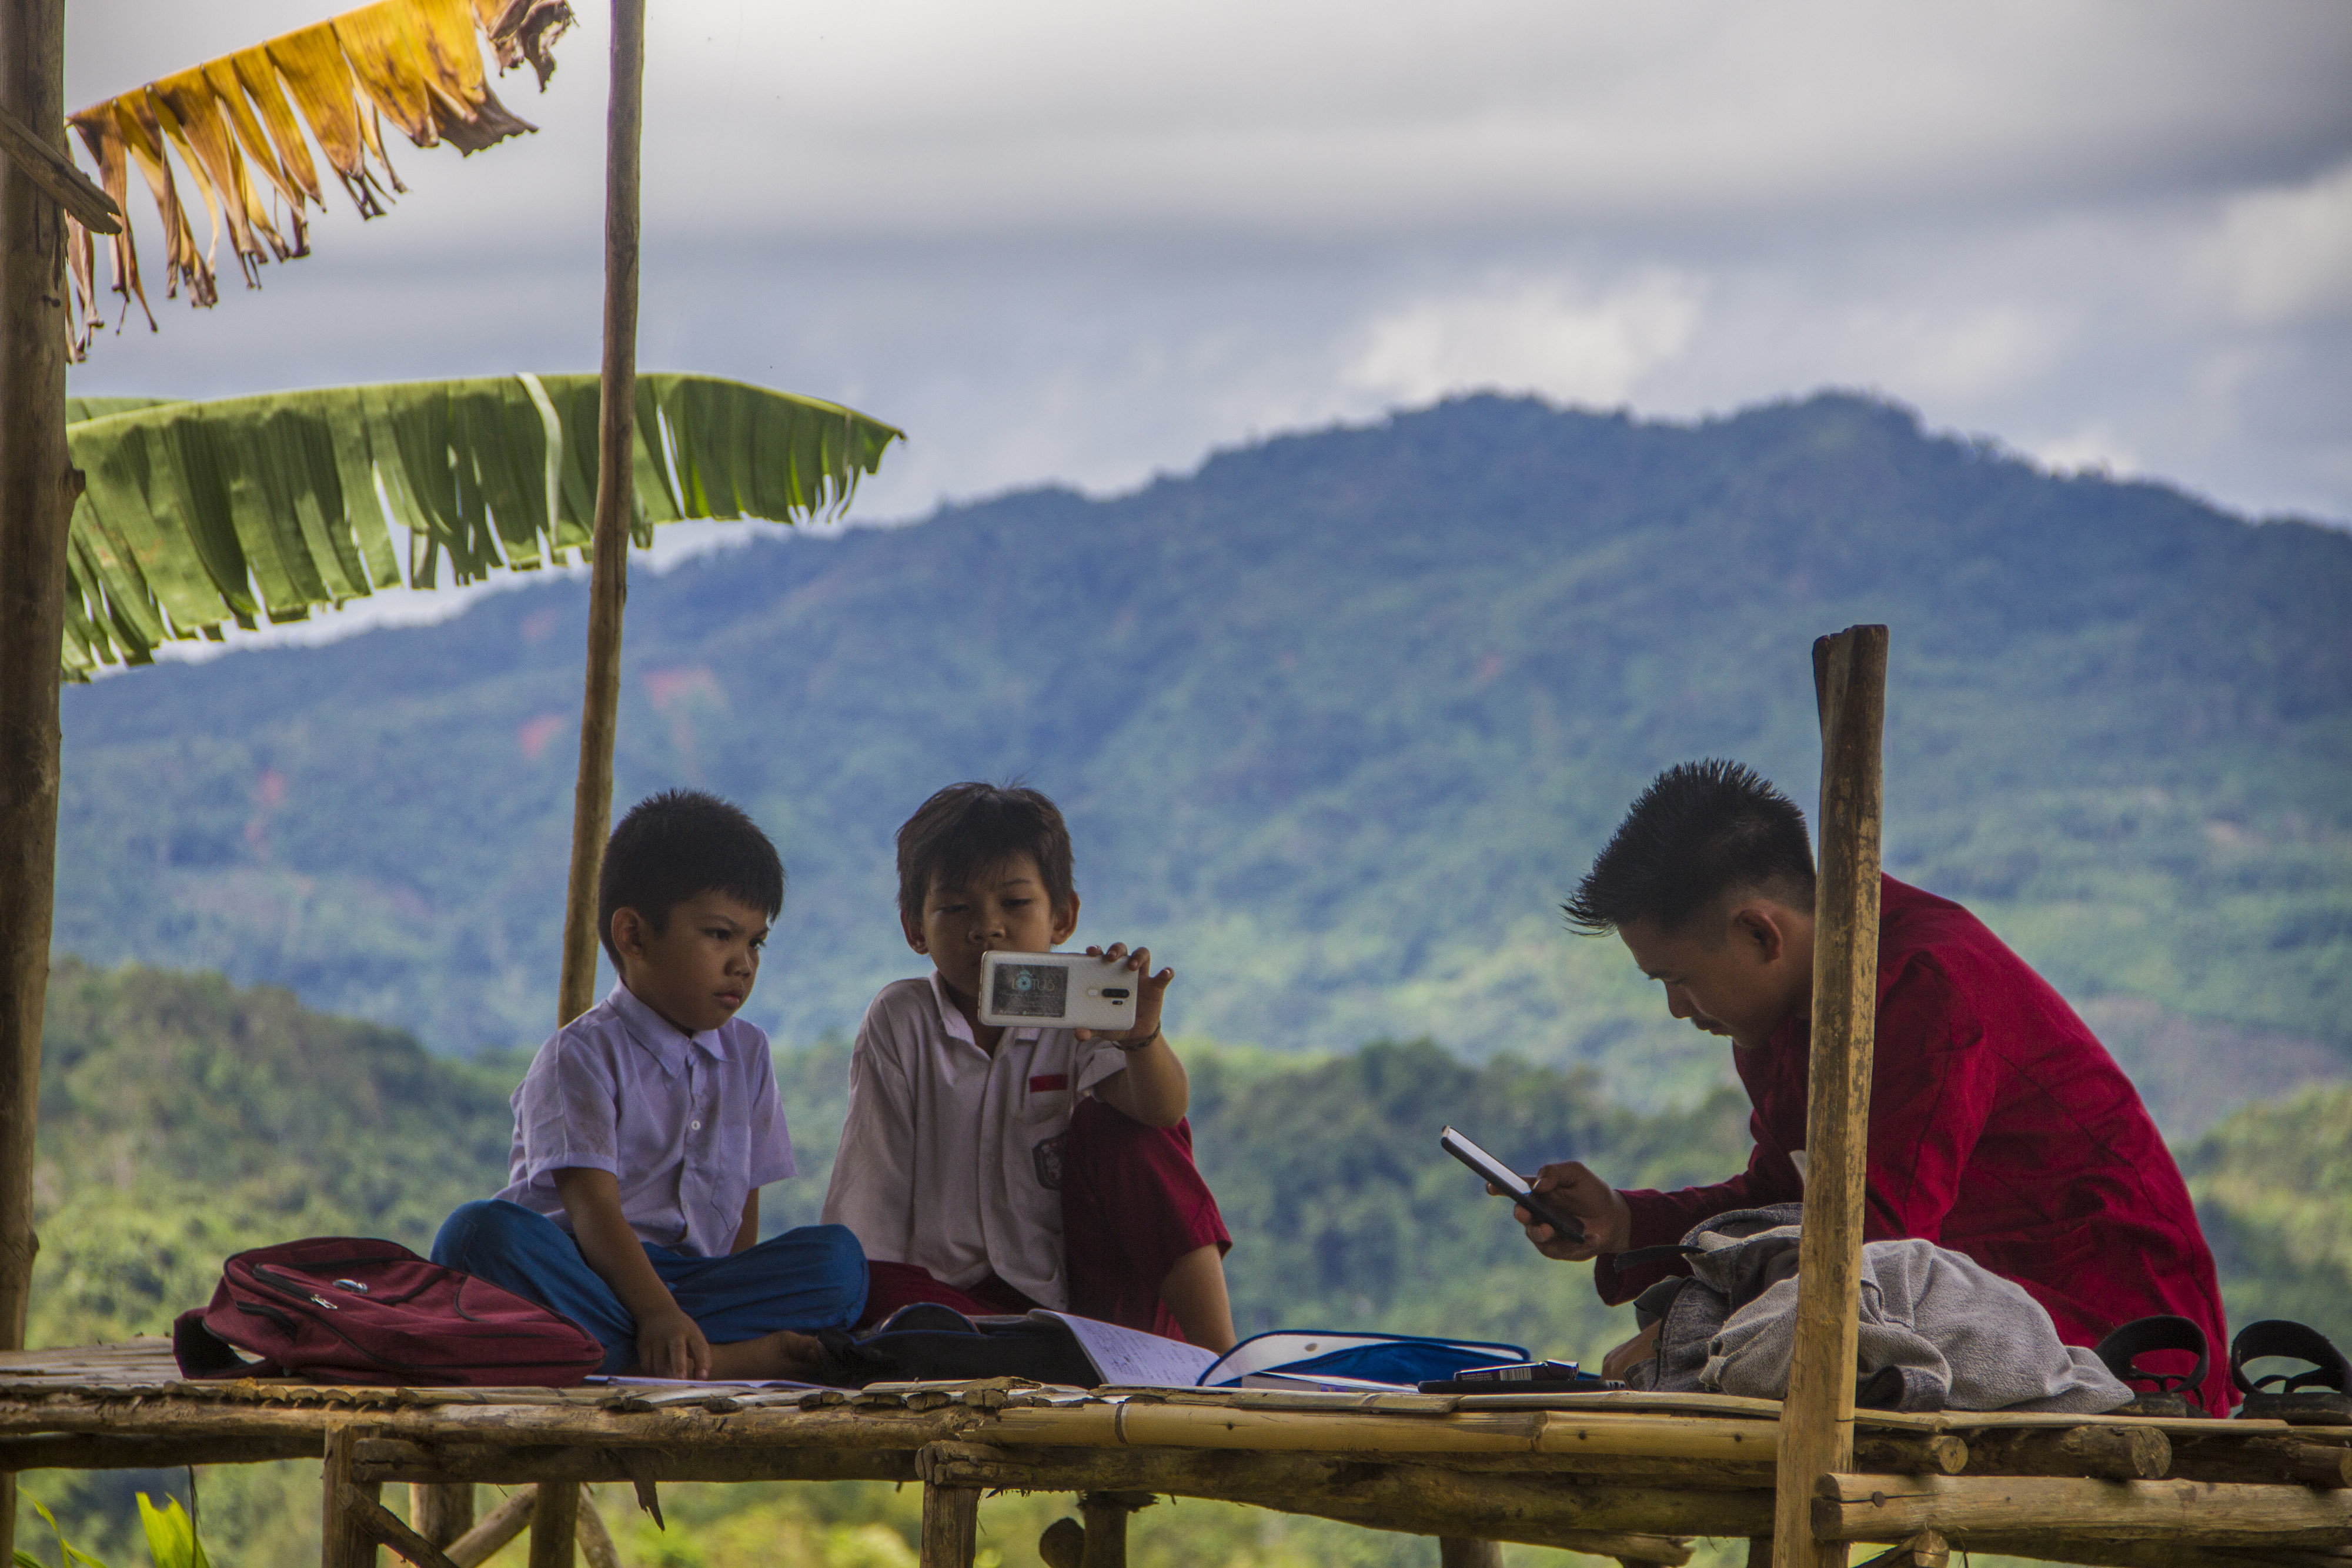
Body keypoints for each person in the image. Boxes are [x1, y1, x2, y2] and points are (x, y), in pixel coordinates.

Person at [1513, 760, 2233, 1411]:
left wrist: (1694, 1335)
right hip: (1962, 1311)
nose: (1677, 1009)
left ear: (1762, 935)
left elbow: (1876, 1243)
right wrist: (1626, 1222)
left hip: (2124, 1348)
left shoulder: (1923, 985)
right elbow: (1789, 1204)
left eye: (1678, 979)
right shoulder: (1775, 1020)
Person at [435, 790, 867, 1379]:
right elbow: (593, 1213)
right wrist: (657, 1313)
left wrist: (720, 1297)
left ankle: (641, 1355)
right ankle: (719, 1360)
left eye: (755, 941)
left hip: (695, 1289)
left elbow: (744, 1214)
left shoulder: (750, 1054)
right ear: (634, 936)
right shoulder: (580, 1055)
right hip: (584, 1273)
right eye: (720, 935)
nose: (743, 963)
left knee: (841, 1265)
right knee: (474, 1238)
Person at [823, 783, 1237, 1349]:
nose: (986, 927)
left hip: (1082, 1302)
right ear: (915, 927)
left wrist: (1141, 1040)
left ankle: (1219, 1357)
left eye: (1014, 904)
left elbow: (1164, 1111)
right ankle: (1015, 1350)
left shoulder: (1082, 1013)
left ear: (1063, 917)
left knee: (1128, 1129)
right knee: (853, 1274)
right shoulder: (903, 1020)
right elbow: (871, 1202)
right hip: (953, 1300)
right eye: (955, 907)